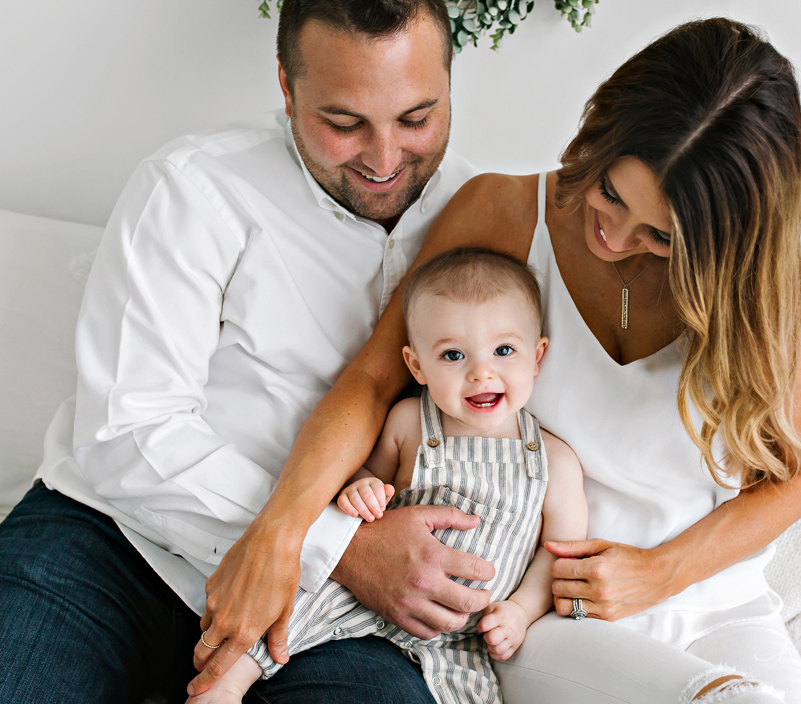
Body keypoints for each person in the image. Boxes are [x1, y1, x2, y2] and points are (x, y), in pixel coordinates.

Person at [223, 17, 801, 704]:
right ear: (601, 133)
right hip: (550, 610)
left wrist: (662, 571)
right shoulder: (505, 212)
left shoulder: (760, 286)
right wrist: (282, 532)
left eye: (661, 236)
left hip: (720, 603)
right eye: (610, 194)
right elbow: (373, 380)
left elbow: (797, 475)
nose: (614, 238)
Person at [0, 1, 497, 702]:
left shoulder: (484, 215)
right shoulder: (193, 187)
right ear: (287, 87)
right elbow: (126, 430)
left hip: (333, 612)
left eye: (417, 118)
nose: (385, 159)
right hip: (112, 543)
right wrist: (336, 546)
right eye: (344, 123)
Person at [189, 248, 587, 704]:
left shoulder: (554, 462)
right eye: (453, 355)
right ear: (417, 366)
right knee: (297, 605)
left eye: (503, 350)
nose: (481, 372)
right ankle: (223, 686)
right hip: (364, 592)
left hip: (461, 637)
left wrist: (520, 610)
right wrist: (360, 488)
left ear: (536, 356)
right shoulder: (409, 423)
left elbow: (558, 555)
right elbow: (365, 475)